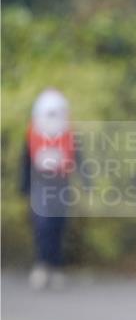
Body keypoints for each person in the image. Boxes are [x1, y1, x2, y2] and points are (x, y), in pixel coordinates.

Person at [19, 88, 79, 291]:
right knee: (42, 227)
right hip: (40, 186)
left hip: (61, 185)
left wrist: (87, 182)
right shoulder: (32, 134)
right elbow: (26, 163)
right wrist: (24, 187)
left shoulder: (69, 134)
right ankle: (42, 265)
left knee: (58, 226)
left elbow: (79, 159)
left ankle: (55, 266)